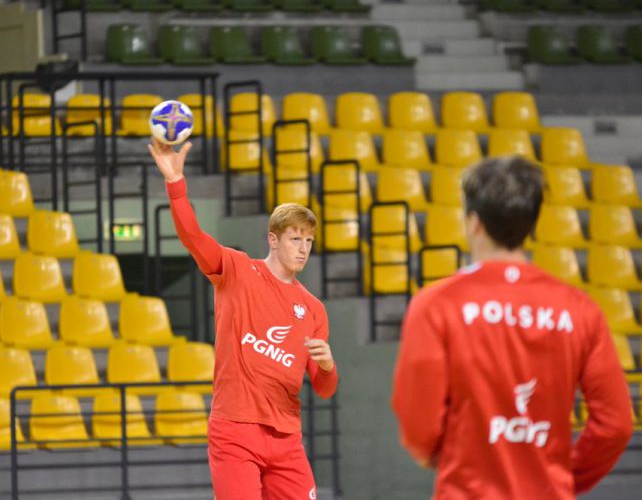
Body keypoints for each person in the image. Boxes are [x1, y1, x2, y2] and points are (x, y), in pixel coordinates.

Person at [392, 157, 633, 499]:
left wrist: (437, 454)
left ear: (474, 223)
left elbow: (419, 422)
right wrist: (563, 477)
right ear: (530, 226)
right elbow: (617, 424)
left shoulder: (436, 305)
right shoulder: (580, 310)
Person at [148, 139, 338, 500]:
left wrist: (327, 366)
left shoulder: (314, 309)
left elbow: (325, 389)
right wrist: (175, 182)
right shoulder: (236, 269)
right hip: (235, 430)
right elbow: (193, 236)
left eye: (309, 241)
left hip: (286, 439)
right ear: (273, 239)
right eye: (295, 238)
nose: (303, 249)